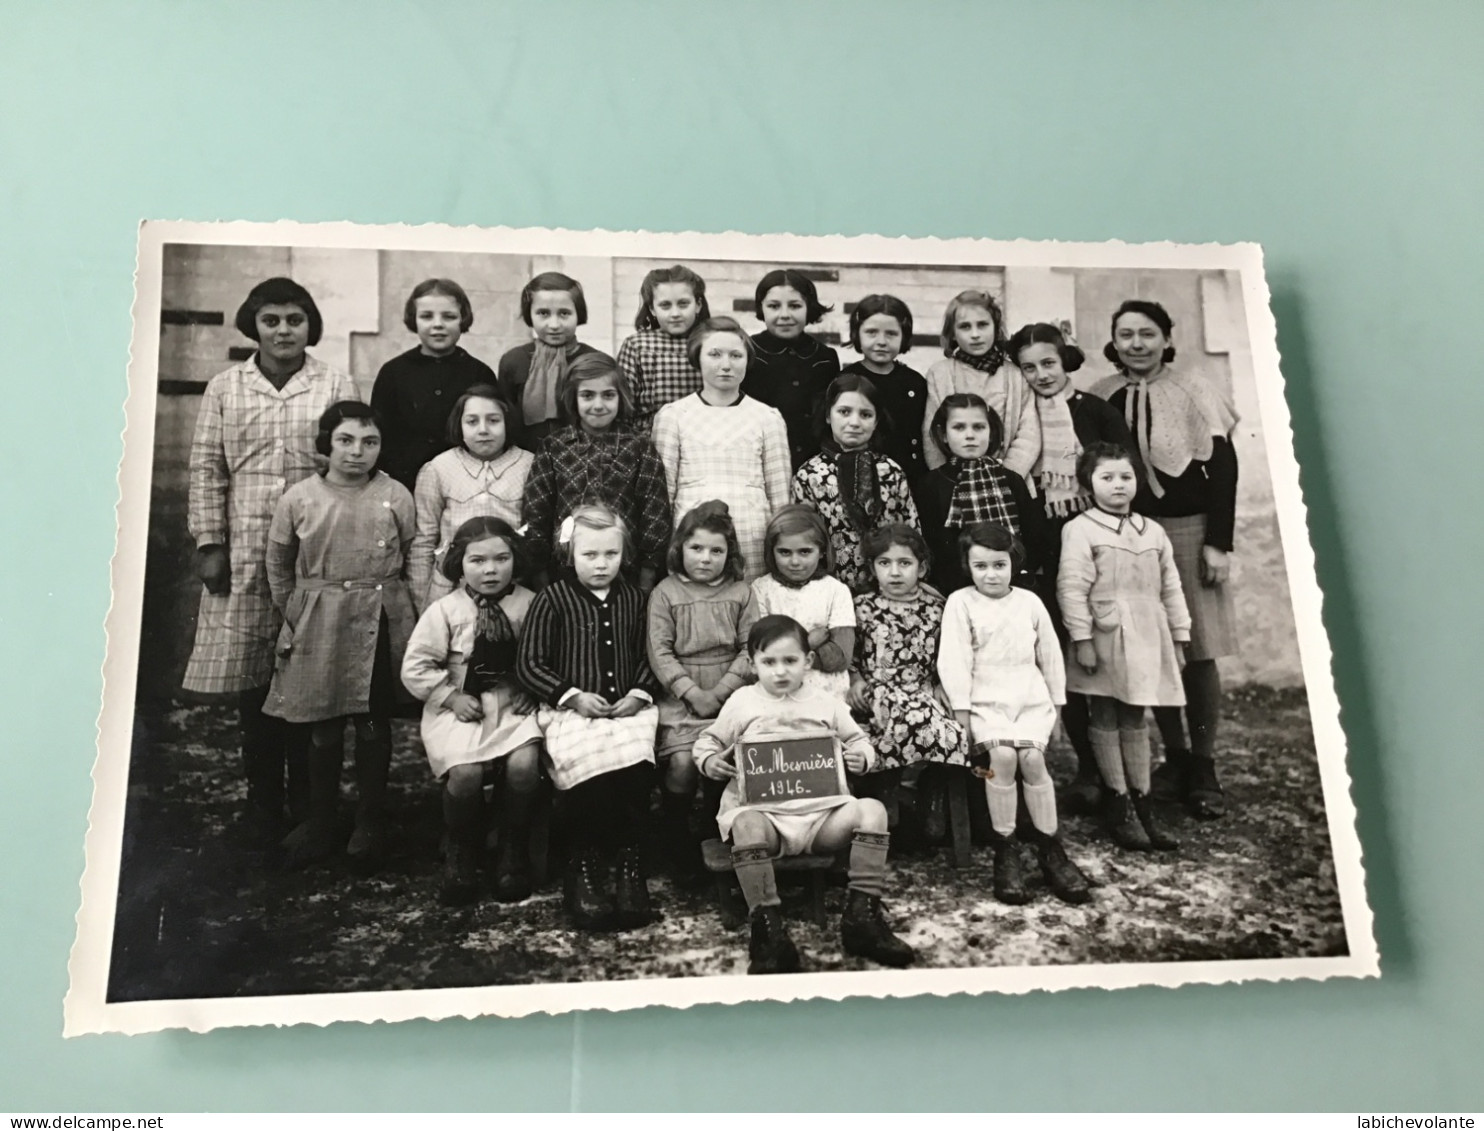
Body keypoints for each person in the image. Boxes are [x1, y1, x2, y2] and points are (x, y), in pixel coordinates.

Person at [183, 277, 358, 843]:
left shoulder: (333, 381)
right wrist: (211, 544)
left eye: (295, 320)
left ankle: (312, 810)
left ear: (311, 325)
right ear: (252, 326)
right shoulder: (225, 388)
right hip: (246, 548)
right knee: (255, 683)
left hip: (315, 547)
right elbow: (207, 468)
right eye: (272, 321)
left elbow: (350, 463)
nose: (284, 331)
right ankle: (263, 806)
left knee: (310, 678)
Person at [693, 615, 916, 974]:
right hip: (767, 821)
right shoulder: (742, 702)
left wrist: (863, 756)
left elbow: (857, 738)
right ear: (752, 664)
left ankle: (862, 916)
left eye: (790, 661)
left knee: (873, 810)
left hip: (821, 817)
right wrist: (708, 762)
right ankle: (768, 930)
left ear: (808, 662)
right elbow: (709, 740)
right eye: (769, 662)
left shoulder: (824, 702)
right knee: (746, 824)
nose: (780, 671)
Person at [1094, 300, 1239, 819]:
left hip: (1189, 528)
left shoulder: (1194, 387)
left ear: (1165, 338)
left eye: (1147, 334)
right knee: (1149, 648)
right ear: (1114, 339)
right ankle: (1174, 757)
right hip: (1129, 535)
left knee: (1198, 651)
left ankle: (1203, 766)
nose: (1136, 343)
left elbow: (1223, 469)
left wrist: (1218, 542)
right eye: (1126, 334)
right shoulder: (1100, 393)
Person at [263, 402, 417, 870]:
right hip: (319, 620)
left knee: (371, 723)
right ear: (326, 445)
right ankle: (320, 820)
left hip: (378, 616)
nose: (357, 452)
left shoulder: (395, 494)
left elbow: (412, 553)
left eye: (370, 443)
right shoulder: (300, 497)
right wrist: (297, 609)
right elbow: (278, 562)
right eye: (346, 441)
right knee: (323, 727)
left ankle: (369, 820)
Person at [1007, 320, 1140, 814]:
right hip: (1039, 547)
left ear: (1065, 360)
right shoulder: (1019, 415)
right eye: (1028, 367)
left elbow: (1128, 472)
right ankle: (1051, 763)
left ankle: (1103, 775)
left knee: (1093, 657)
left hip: (1092, 541)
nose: (1040, 374)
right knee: (1049, 659)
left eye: (1048, 363)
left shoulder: (1095, 411)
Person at [515, 505, 661, 931]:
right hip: (571, 711)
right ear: (570, 556)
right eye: (590, 555)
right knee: (588, 766)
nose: (601, 565)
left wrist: (638, 693)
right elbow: (530, 663)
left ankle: (631, 864)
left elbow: (652, 656)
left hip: (627, 709)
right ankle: (585, 863)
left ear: (624, 555)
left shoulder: (636, 599)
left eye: (611, 555)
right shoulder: (553, 600)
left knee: (634, 760)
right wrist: (572, 695)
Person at [938, 523, 1090, 906]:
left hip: (1029, 697)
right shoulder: (960, 602)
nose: (991, 574)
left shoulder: (1029, 601)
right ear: (968, 567)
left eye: (999, 565)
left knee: (1033, 759)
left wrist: (1056, 704)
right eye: (982, 566)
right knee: (1002, 758)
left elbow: (1051, 655)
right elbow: (954, 660)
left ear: (1013, 563)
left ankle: (1050, 849)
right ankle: (1006, 849)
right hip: (984, 699)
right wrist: (962, 712)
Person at [402, 517, 543, 904]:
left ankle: (513, 845)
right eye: (477, 560)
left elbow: (548, 657)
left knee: (524, 765)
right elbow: (416, 667)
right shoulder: (445, 610)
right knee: (465, 774)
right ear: (458, 564)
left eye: (501, 559)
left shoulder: (530, 604)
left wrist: (533, 688)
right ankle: (464, 847)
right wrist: (449, 697)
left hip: (514, 704)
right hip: (461, 705)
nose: (491, 570)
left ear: (516, 559)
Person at [1059, 444, 1190, 852]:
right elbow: (1072, 587)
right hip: (1104, 635)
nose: (1118, 485)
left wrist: (1180, 635)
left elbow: (1171, 586)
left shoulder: (1152, 531)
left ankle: (1142, 799)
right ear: (1088, 483)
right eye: (1107, 477)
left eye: (1126, 477)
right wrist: (1081, 638)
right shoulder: (1080, 529)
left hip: (1148, 633)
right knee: (1105, 710)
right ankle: (1117, 802)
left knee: (1136, 713)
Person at [646, 501, 759, 884]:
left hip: (731, 692)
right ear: (680, 549)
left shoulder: (742, 592)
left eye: (716, 551)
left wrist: (723, 689)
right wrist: (691, 692)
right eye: (696, 549)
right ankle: (676, 838)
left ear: (730, 554)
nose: (706, 558)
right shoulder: (665, 592)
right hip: (681, 697)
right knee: (681, 765)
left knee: (725, 763)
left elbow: (751, 648)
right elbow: (659, 650)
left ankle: (718, 836)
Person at [652, 316, 792, 580]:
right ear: (698, 358)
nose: (726, 365)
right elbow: (663, 495)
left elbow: (780, 494)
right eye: (714, 354)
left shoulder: (767, 417)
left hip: (751, 534)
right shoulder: (674, 416)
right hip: (695, 538)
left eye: (735, 356)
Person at [847, 525, 966, 833]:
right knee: (893, 721)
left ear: (922, 567)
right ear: (873, 568)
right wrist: (856, 678)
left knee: (950, 729)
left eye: (905, 563)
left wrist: (942, 683)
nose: (895, 572)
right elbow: (853, 654)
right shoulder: (863, 608)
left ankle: (932, 794)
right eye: (884, 563)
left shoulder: (937, 608)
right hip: (880, 692)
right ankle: (888, 795)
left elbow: (949, 653)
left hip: (925, 690)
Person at [519, 352, 671, 590]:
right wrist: (540, 575)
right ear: (572, 398)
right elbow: (536, 512)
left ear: (620, 397)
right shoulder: (554, 447)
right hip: (565, 571)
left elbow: (655, 513)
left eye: (608, 395)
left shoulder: (639, 446)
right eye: (587, 395)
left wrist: (647, 576)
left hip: (625, 572)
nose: (598, 405)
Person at [408, 385, 532, 611]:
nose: (483, 430)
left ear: (507, 422)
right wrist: (423, 604)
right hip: (450, 592)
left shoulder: (529, 466)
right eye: (472, 422)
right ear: (459, 425)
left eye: (493, 420)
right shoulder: (438, 469)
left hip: (512, 592)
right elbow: (424, 541)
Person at [792, 374, 920, 592]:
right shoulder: (810, 475)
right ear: (828, 415)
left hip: (887, 587)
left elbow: (911, 531)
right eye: (844, 412)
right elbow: (803, 539)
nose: (854, 422)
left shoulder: (891, 472)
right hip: (829, 590)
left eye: (866, 414)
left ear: (876, 421)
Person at [370, 278, 496, 491]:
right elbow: (380, 434)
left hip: (464, 485)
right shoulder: (393, 372)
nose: (438, 324)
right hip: (404, 483)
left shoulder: (479, 373)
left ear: (463, 319)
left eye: (449, 316)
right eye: (427, 316)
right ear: (414, 319)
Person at [916, 394, 1046, 595]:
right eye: (959, 428)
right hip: (956, 588)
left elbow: (1033, 535)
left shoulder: (1011, 480)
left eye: (979, 427)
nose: (970, 435)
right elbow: (931, 542)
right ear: (943, 435)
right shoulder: (932, 484)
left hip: (1011, 585)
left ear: (991, 433)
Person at [921, 289, 1040, 478]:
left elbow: (1029, 433)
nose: (975, 334)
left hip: (1009, 479)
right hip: (954, 480)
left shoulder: (1015, 375)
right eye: (965, 327)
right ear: (952, 333)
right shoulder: (940, 374)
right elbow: (932, 434)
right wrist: (944, 479)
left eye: (983, 325)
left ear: (996, 327)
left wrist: (1008, 476)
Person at [750, 504, 855, 702]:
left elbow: (840, 657)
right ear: (772, 551)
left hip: (827, 696)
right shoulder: (761, 589)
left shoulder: (835, 591)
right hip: (777, 694)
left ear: (822, 551)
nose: (795, 562)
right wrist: (809, 642)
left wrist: (785, 651)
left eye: (805, 552)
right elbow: (763, 651)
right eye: (785, 552)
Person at [742, 268, 841, 469]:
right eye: (774, 306)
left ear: (809, 307)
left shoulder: (824, 358)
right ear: (762, 308)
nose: (784, 315)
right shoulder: (747, 353)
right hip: (757, 460)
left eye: (795, 306)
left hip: (813, 464)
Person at [496, 271, 598, 447]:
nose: (554, 325)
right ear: (530, 315)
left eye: (564, 313)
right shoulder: (514, 361)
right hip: (527, 457)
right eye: (543, 313)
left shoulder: (594, 361)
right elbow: (505, 416)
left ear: (578, 314)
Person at [840, 293, 930, 486]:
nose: (881, 341)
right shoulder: (846, 380)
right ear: (857, 333)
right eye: (872, 332)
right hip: (860, 477)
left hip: (910, 478)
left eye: (891, 334)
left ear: (904, 336)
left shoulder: (914, 382)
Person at [615, 264, 710, 426]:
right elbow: (623, 403)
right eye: (665, 305)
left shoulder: (710, 342)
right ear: (652, 308)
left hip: (700, 432)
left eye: (683, 304)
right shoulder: (637, 345)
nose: (675, 314)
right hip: (649, 436)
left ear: (698, 305)